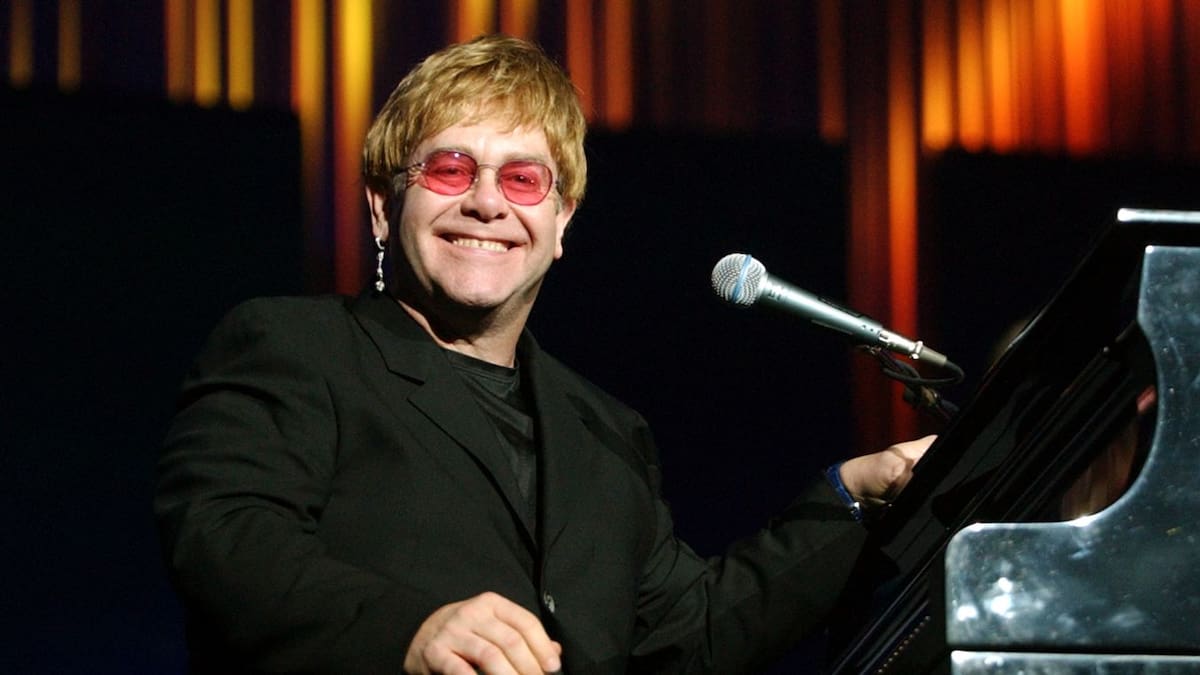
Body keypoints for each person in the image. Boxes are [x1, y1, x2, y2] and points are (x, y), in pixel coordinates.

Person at [154, 34, 934, 675]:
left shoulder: (605, 430)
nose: (487, 201)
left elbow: (687, 637)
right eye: (450, 169)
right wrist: (410, 633)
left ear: (561, 222)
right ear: (383, 207)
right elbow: (225, 540)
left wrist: (856, 499)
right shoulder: (298, 348)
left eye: (524, 179)